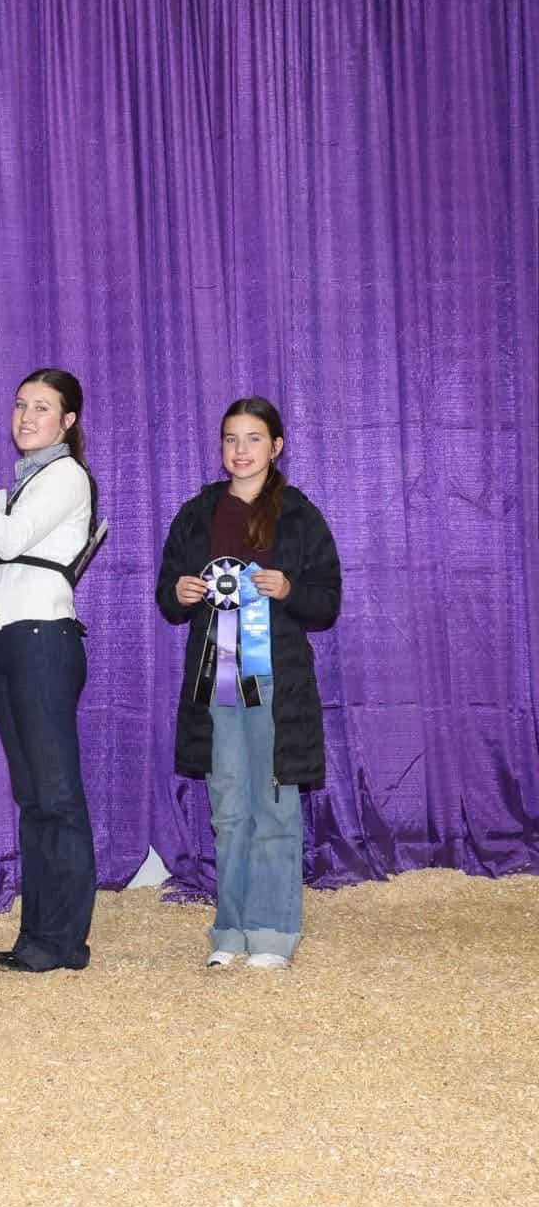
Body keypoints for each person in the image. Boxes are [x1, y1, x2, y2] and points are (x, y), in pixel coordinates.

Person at [155, 397, 340, 970]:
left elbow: (327, 601)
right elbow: (167, 594)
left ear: (276, 447)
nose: (241, 450)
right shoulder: (197, 514)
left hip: (277, 684)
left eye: (253, 438)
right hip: (216, 685)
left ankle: (275, 930)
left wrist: (289, 590)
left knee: (276, 807)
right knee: (228, 809)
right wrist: (180, 593)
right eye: (231, 439)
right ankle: (229, 929)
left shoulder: (301, 516)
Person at [0, 367, 98, 973]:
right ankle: (39, 936)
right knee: (34, 798)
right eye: (21, 404)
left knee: (56, 796)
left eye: (43, 407)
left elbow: (7, 539)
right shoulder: (20, 483)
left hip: (45, 641)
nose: (26, 416)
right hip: (14, 643)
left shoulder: (65, 477)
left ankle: (64, 940)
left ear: (68, 422)